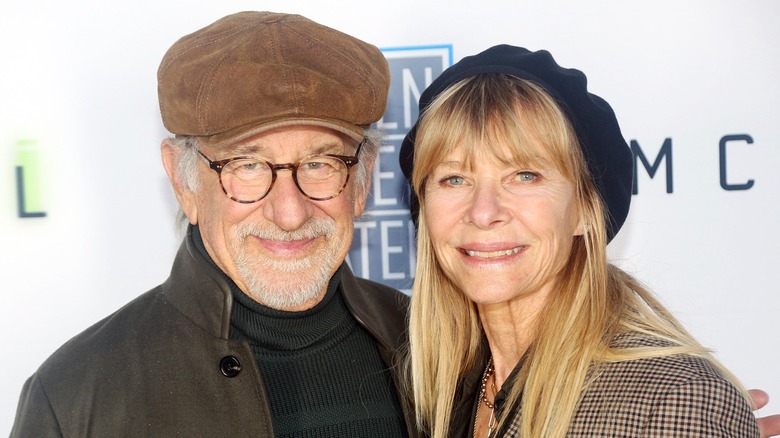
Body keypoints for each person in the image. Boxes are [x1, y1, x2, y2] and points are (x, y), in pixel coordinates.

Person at [11, 11, 415, 437]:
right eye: (248, 165)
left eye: (320, 163)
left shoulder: (432, 351)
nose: (290, 212)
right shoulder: (74, 398)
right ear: (183, 182)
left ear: (363, 178)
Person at [399, 44, 772, 437]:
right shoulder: (429, 391)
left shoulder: (673, 400)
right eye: (454, 179)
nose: (483, 211)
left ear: (583, 209)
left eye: (525, 175)